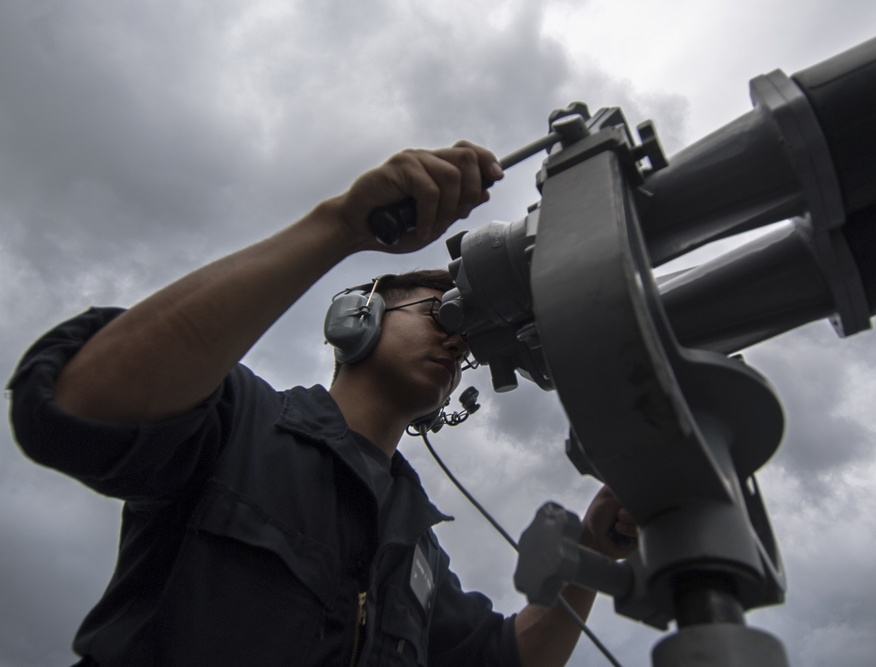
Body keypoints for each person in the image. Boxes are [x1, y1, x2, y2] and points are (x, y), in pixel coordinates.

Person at [8, 142, 637, 666]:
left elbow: (508, 657)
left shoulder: (414, 542)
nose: (455, 337)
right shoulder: (236, 422)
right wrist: (342, 225)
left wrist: (590, 551)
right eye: (439, 311)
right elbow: (82, 401)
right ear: (355, 320)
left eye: (468, 333)